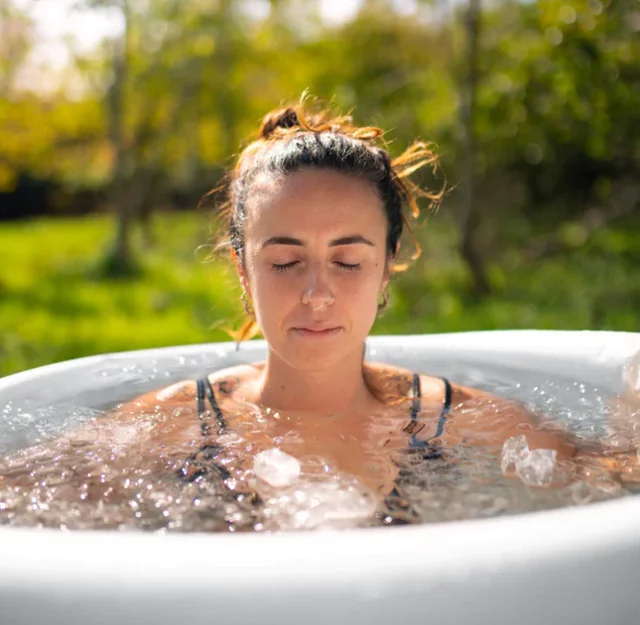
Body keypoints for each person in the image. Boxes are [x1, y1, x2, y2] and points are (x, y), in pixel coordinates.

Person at [2, 95, 639, 526]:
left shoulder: (460, 421)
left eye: (348, 260)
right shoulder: (170, 426)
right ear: (242, 272)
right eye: (284, 262)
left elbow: (616, 479)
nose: (316, 293)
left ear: (387, 266)